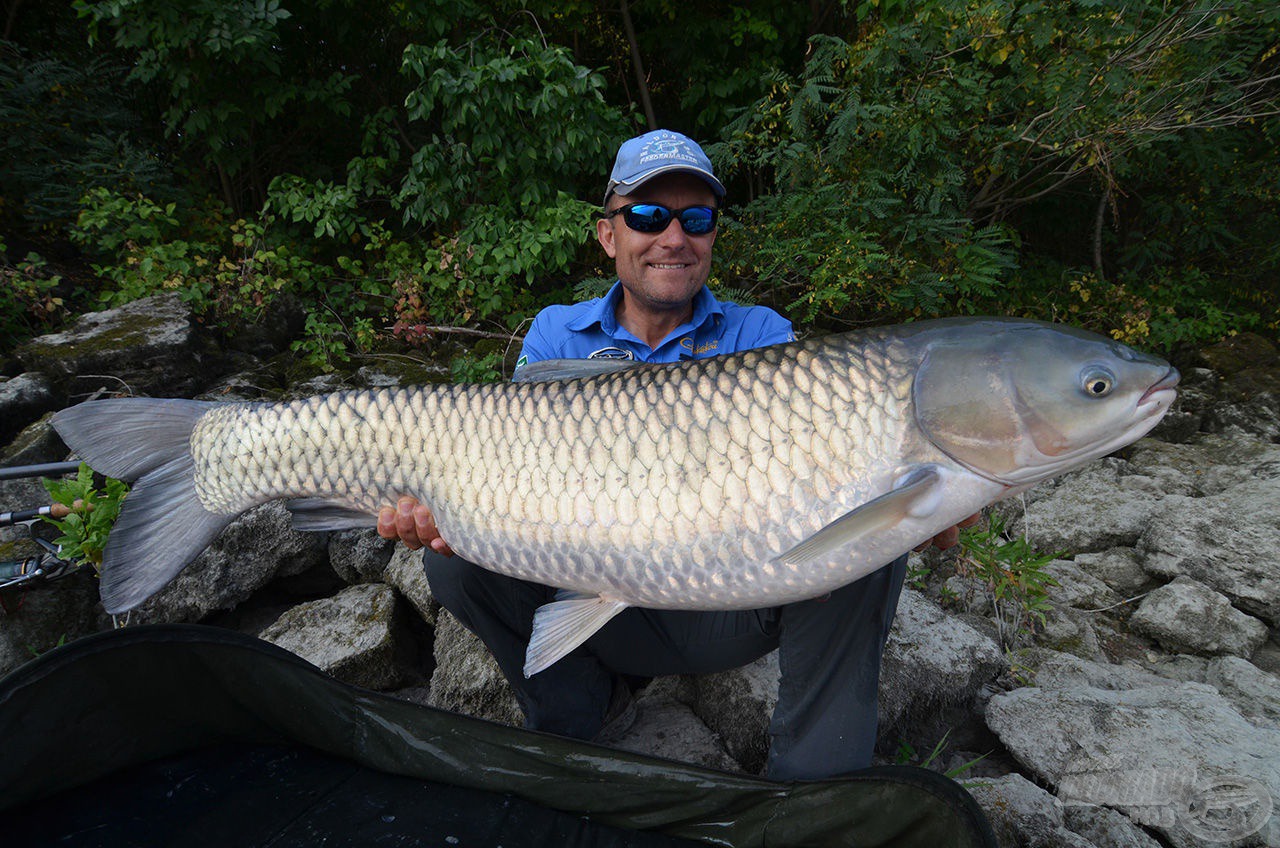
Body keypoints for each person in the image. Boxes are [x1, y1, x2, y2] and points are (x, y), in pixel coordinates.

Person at [378, 129, 974, 780]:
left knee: (867, 544)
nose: (673, 236)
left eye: (695, 218)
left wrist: (916, 499)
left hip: (725, 601)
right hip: (599, 587)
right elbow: (509, 471)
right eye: (647, 215)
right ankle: (581, 712)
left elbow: (830, 477)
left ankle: (813, 786)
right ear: (609, 234)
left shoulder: (764, 340)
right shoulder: (556, 333)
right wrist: (439, 508)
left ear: (713, 235)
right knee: (454, 560)